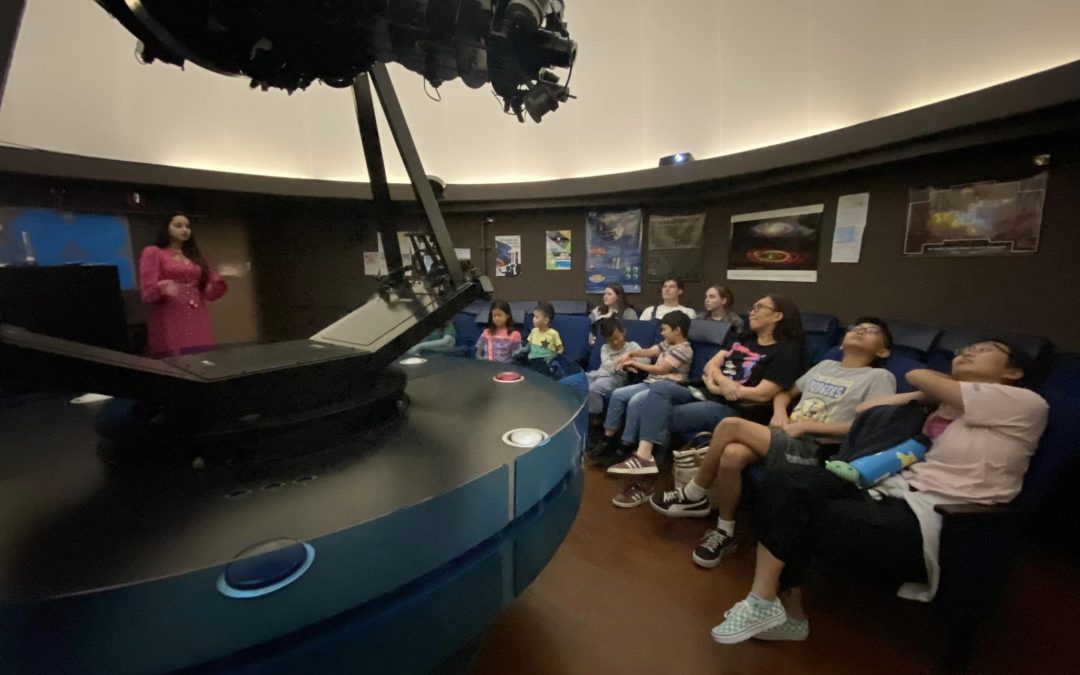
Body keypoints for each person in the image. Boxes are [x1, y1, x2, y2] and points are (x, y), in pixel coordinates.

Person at [706, 339, 1048, 644]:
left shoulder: (1026, 403)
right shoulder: (951, 403)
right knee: (785, 480)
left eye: (986, 349)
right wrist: (929, 392)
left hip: (942, 514)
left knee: (805, 508)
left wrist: (930, 387)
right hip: (891, 487)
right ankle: (765, 600)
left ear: (1014, 371)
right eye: (966, 348)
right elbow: (867, 409)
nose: (968, 350)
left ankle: (790, 614)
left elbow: (917, 376)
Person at [652, 318, 897, 569]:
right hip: (786, 434)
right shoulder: (826, 365)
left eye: (872, 331)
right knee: (732, 454)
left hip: (816, 447)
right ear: (842, 343)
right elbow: (786, 392)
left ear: (883, 351)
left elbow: (869, 427)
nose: (861, 331)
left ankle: (694, 493)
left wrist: (806, 426)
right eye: (857, 328)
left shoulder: (879, 377)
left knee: (729, 425)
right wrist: (780, 411)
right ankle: (724, 532)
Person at [602, 295, 805, 505]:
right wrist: (720, 384)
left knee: (662, 415)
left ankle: (645, 484)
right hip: (707, 390)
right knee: (660, 388)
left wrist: (719, 384)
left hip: (733, 407)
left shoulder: (787, 351)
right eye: (752, 306)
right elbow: (711, 365)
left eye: (759, 307)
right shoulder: (745, 340)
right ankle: (643, 456)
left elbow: (762, 393)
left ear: (777, 316)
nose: (751, 311)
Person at [590, 311, 693, 476]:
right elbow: (650, 351)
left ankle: (625, 445)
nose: (661, 333)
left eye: (664, 329)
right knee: (618, 394)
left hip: (668, 386)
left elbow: (661, 370)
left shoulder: (684, 349)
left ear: (677, 330)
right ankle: (608, 439)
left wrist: (632, 362)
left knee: (635, 401)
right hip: (651, 383)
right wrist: (631, 353)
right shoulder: (667, 343)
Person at [138, 213, 227, 358]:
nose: (185, 230)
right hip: (170, 313)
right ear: (166, 229)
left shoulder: (198, 256)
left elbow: (210, 292)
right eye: (178, 226)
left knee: (203, 358)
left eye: (187, 226)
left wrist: (221, 277)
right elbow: (147, 291)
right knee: (176, 359)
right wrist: (164, 287)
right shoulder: (154, 253)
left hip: (197, 314)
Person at [585, 317, 641, 417]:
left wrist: (627, 364)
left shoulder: (632, 347)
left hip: (617, 378)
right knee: (577, 381)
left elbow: (645, 361)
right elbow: (606, 364)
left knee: (592, 388)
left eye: (617, 338)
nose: (615, 343)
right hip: (599, 373)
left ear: (623, 332)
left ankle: (596, 416)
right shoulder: (605, 348)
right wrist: (621, 363)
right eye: (610, 340)